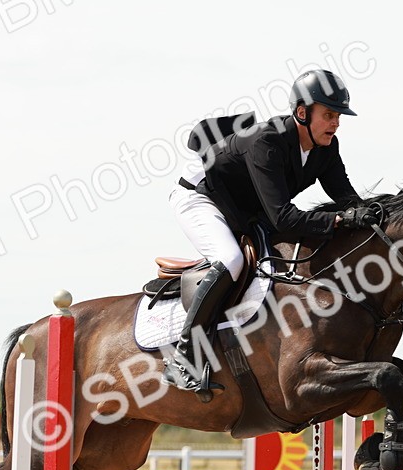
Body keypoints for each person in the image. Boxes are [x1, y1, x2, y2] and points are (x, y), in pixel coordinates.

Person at [163, 68, 381, 400]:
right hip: (201, 197)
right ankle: (183, 356)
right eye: (329, 115)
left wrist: (375, 213)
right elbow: (283, 218)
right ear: (302, 112)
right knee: (231, 259)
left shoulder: (326, 147)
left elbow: (346, 198)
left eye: (338, 116)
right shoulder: (267, 142)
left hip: (246, 208)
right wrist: (339, 220)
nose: (336, 123)